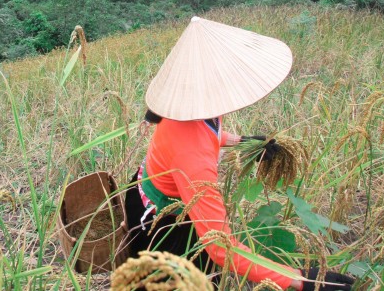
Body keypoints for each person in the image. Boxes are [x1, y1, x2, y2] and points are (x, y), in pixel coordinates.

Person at [124, 16, 355, 291]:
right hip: (159, 222)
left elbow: (206, 134)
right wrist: (301, 280)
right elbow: (220, 248)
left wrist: (245, 142)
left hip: (157, 190)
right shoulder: (194, 162)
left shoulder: (190, 105)